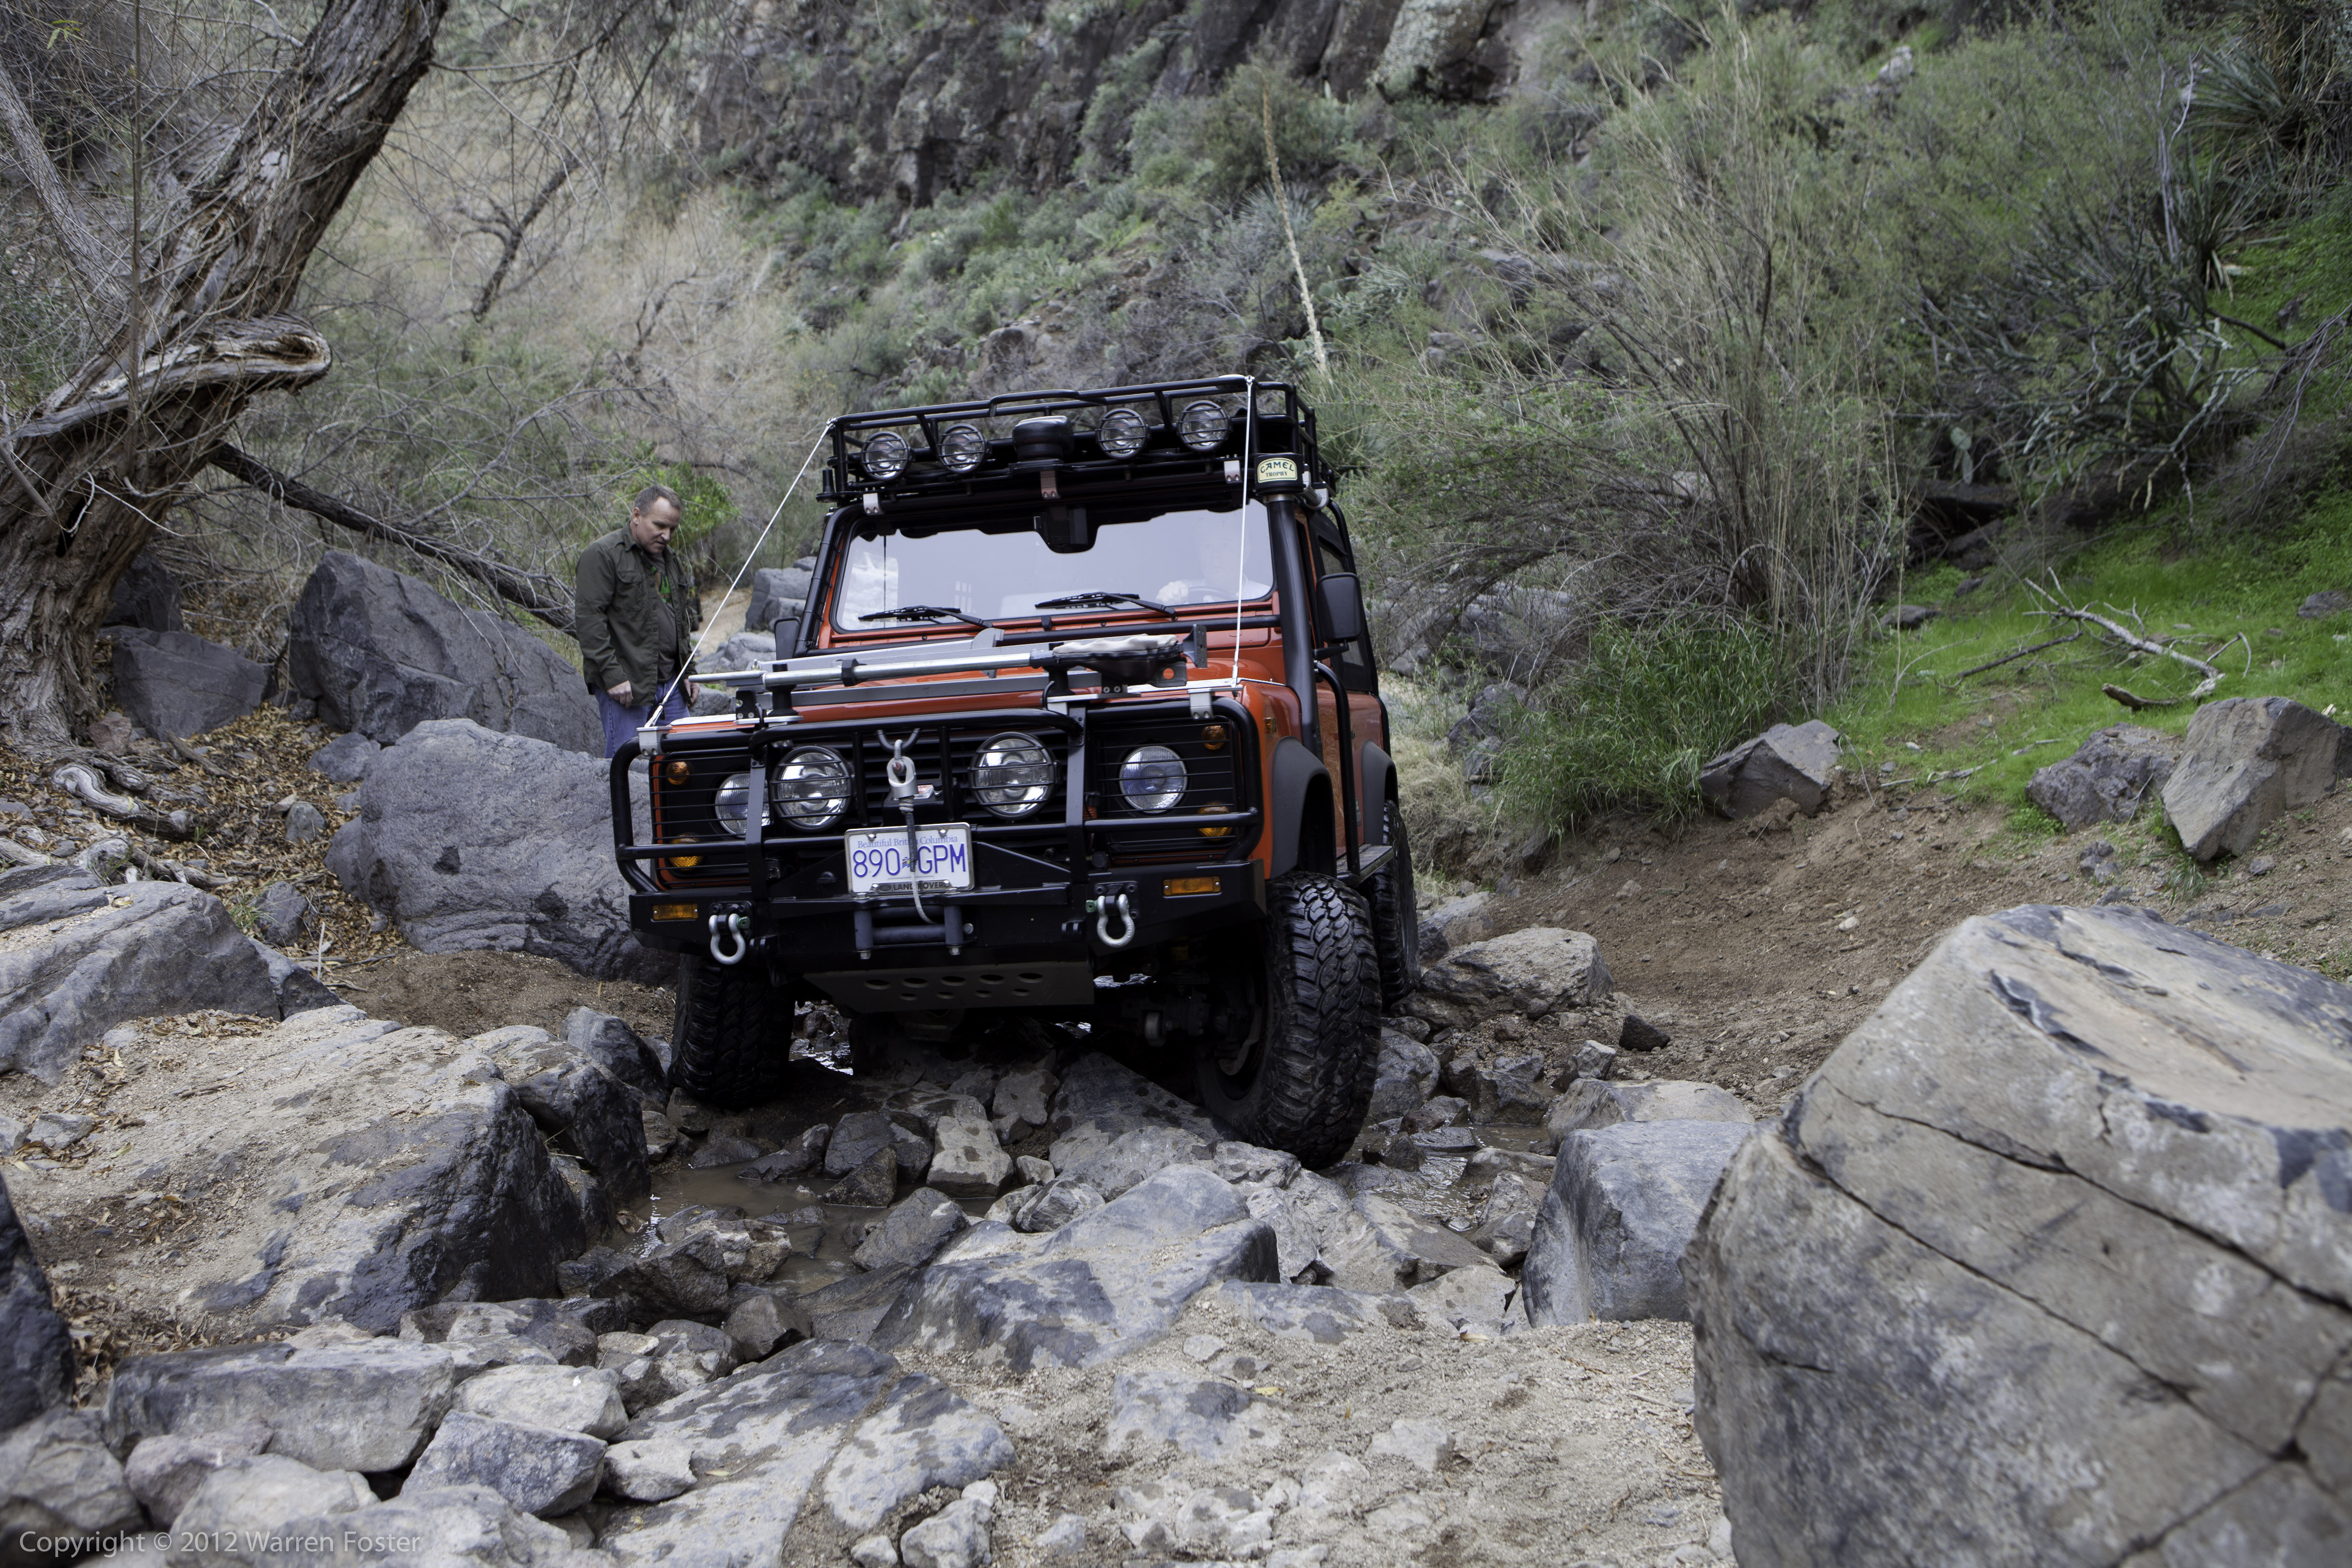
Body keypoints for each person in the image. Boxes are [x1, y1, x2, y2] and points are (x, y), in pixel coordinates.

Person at [577, 484, 700, 757]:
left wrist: (689, 672)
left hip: (672, 685)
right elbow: (589, 621)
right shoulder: (603, 554)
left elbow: (680, 622)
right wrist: (612, 676)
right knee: (627, 766)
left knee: (685, 763)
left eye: (673, 529)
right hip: (627, 686)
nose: (667, 536)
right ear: (636, 515)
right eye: (660, 526)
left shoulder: (672, 561)